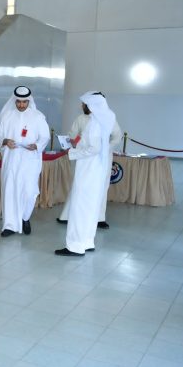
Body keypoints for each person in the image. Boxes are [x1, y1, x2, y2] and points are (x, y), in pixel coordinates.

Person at [56, 93, 116, 256]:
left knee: (79, 207)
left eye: (85, 104)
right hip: (95, 170)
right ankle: (87, 242)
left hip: (88, 170)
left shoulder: (96, 125)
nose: (82, 106)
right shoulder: (103, 120)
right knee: (90, 208)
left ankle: (75, 246)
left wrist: (72, 152)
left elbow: (93, 149)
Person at [0, 86, 50, 237]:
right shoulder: (6, 116)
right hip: (11, 160)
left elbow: (45, 136)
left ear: (29, 101)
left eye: (24, 102)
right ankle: (9, 225)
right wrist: (5, 140)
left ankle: (25, 218)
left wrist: (36, 145)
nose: (21, 105)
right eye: (18, 102)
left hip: (29, 160)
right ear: (14, 101)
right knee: (10, 190)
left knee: (29, 191)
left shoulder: (37, 116)